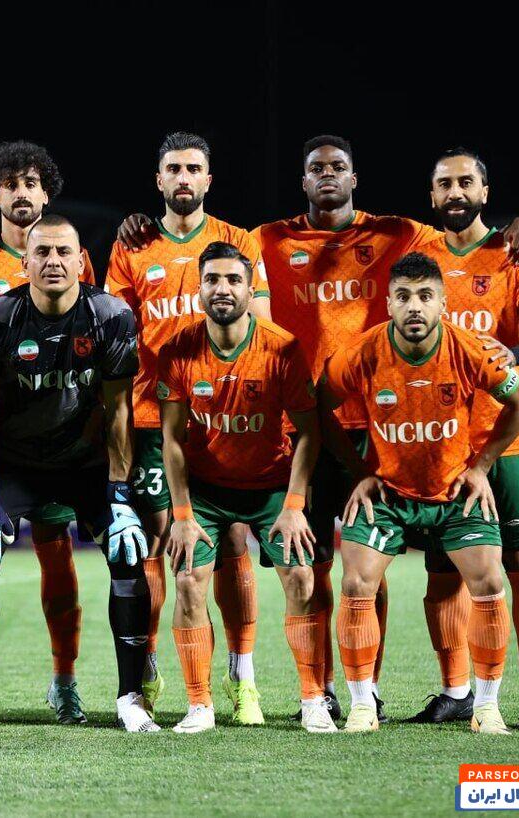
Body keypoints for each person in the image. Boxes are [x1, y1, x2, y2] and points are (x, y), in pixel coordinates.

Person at [251, 134, 519, 722]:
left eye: (338, 167)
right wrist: (141, 227)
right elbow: (212, 250)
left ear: (354, 178)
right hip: (307, 428)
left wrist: (517, 228)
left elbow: (463, 230)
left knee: (383, 568)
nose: (327, 175)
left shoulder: (397, 234)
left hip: (378, 430)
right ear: (303, 180)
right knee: (310, 567)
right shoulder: (265, 239)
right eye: (316, 168)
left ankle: (377, 692)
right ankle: (318, 693)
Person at [0, 215, 157, 732]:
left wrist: (119, 495)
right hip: (14, 463)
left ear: (82, 261)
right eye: (42, 252)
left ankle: (131, 698)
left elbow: (119, 412)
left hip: (84, 463)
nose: (53, 261)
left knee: (128, 553)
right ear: (25, 262)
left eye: (64, 252)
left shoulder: (111, 317)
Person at [319, 252, 519, 734]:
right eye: (403, 296)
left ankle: (486, 707)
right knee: (355, 585)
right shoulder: (362, 353)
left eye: (424, 296)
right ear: (389, 304)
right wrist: (359, 470)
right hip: (388, 496)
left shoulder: (470, 349)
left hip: (455, 492)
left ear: (442, 303)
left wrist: (482, 466)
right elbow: (320, 405)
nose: (414, 306)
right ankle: (361, 706)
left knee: (489, 583)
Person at [107, 132, 270, 721]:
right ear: (159, 180)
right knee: (161, 544)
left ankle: (242, 677)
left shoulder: (237, 241)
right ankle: (149, 670)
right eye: (173, 168)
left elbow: (262, 325)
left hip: (224, 421)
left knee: (234, 542)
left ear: (208, 179)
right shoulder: (131, 246)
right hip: (155, 419)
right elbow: (115, 334)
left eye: (193, 168)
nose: (183, 177)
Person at [0, 140, 96, 721]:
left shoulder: (69, 253)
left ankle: (64, 680)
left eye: (32, 182)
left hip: (58, 433)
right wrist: (22, 349)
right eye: (11, 184)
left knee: (58, 556)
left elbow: (87, 329)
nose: (22, 193)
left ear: (46, 194)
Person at [407, 148, 519, 730]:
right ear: (432, 195)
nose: (455, 192)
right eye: (444, 183)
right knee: (443, 571)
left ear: (484, 192)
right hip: (443, 444)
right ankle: (456, 691)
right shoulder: (419, 252)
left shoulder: (516, 252)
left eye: (466, 182)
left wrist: (510, 354)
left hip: (507, 440)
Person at [157, 242, 332, 733]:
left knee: (302, 578)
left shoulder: (282, 348)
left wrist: (294, 505)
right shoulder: (178, 350)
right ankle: (200, 705)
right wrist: (182, 515)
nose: (223, 289)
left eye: (234, 280)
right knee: (187, 581)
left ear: (251, 289)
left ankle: (313, 699)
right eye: (212, 279)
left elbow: (309, 433)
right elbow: (172, 440)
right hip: (207, 489)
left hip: (271, 487)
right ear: (198, 289)